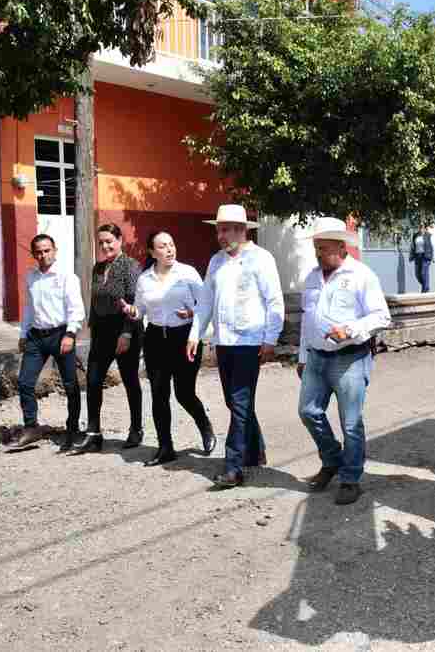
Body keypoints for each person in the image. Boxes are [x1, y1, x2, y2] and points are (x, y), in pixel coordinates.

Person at [188, 204, 284, 489]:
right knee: (234, 402)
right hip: (224, 342)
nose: (221, 234)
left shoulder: (261, 259)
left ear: (243, 230)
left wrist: (270, 338)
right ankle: (255, 450)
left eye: (227, 228)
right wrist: (195, 333)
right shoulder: (216, 261)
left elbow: (275, 301)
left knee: (240, 403)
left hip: (250, 341)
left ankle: (234, 466)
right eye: (219, 229)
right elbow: (205, 301)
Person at [297, 217, 391, 505]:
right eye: (316, 248)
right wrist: (302, 356)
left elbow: (381, 317)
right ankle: (332, 460)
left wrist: (350, 330)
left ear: (341, 246)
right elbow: (307, 320)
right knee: (308, 412)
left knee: (351, 423)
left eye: (323, 248)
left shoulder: (362, 275)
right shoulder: (312, 277)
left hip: (350, 359)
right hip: (315, 358)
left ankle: (350, 479)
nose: (318, 254)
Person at [119, 231, 216, 467]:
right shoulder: (144, 279)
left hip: (183, 337)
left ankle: (204, 425)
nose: (169, 249)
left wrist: (192, 313)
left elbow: (205, 304)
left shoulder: (188, 273)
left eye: (171, 244)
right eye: (162, 246)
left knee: (184, 393)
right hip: (155, 339)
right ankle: (165, 447)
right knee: (159, 393)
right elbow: (141, 310)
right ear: (152, 252)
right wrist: (132, 311)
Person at [70, 224, 144, 455]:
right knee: (92, 381)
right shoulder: (98, 268)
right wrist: (91, 328)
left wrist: (127, 333)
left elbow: (135, 301)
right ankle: (94, 433)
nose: (105, 246)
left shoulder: (131, 266)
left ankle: (136, 428)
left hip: (124, 330)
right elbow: (94, 301)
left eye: (109, 241)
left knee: (130, 380)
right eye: (101, 242)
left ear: (119, 240)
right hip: (102, 332)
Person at [10, 235, 86, 452]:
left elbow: (76, 309)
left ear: (55, 250)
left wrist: (71, 334)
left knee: (70, 384)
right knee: (25, 382)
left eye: (47, 250)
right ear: (34, 254)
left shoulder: (66, 277)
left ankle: (72, 429)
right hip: (36, 337)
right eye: (39, 252)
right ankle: (31, 427)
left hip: (61, 334)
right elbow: (29, 308)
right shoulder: (31, 277)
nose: (43, 255)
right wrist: (23, 334)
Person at [408, 226, 434, 294]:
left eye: (422, 228)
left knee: (424, 273)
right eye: (420, 227)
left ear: (425, 229)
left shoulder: (429, 236)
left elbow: (433, 246)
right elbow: (412, 246)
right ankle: (425, 286)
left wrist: (434, 258)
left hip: (425, 256)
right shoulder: (415, 236)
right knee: (417, 275)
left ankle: (425, 290)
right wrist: (411, 256)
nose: (421, 229)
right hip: (417, 256)